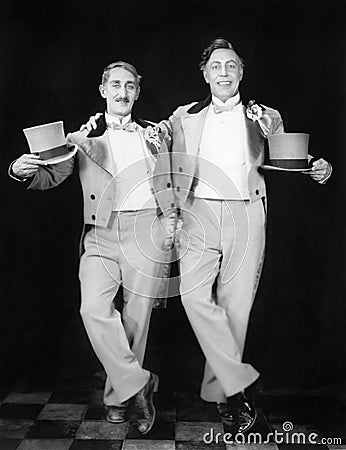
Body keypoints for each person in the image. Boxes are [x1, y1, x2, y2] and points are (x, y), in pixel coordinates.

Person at [83, 38, 332, 434]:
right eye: (216, 66)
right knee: (193, 296)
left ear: (241, 73)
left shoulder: (263, 116)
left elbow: (289, 154)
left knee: (236, 309)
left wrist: (318, 167)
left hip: (247, 214)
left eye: (231, 66)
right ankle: (241, 382)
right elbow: (151, 135)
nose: (224, 73)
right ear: (205, 74)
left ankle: (228, 396)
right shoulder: (184, 117)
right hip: (197, 215)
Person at [9, 61, 176, 434]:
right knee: (94, 309)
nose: (122, 92)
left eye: (129, 86)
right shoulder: (82, 138)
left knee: (136, 319)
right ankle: (140, 382)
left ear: (137, 92)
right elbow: (52, 174)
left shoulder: (155, 135)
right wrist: (22, 169)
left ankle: (119, 399)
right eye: (115, 85)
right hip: (100, 234)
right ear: (103, 90)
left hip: (147, 230)